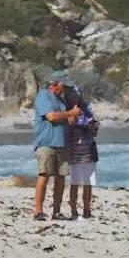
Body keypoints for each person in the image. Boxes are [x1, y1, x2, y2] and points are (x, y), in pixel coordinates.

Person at [31, 71, 81, 221]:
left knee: (61, 178)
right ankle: (38, 211)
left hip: (62, 144)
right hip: (46, 143)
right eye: (64, 86)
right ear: (57, 84)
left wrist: (71, 117)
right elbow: (51, 116)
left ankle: (56, 211)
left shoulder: (62, 101)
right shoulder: (43, 96)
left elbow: (65, 118)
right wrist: (70, 112)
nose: (65, 90)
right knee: (44, 175)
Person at [63, 85, 99, 220]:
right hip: (73, 151)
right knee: (75, 182)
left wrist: (92, 126)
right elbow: (64, 129)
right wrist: (70, 121)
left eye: (77, 94)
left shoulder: (87, 109)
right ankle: (73, 209)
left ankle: (86, 210)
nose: (75, 97)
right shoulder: (65, 110)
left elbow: (95, 130)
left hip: (88, 150)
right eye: (73, 94)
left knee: (88, 182)